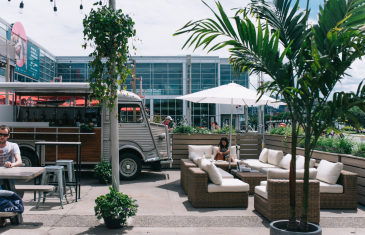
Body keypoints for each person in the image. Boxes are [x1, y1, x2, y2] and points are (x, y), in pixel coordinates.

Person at [0, 125, 22, 228]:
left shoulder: (13, 145)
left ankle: (3, 217)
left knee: (5, 192)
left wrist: (11, 164)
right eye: (0, 134)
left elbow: (19, 161)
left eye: (4, 135)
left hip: (8, 175)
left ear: (8, 135)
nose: (1, 137)